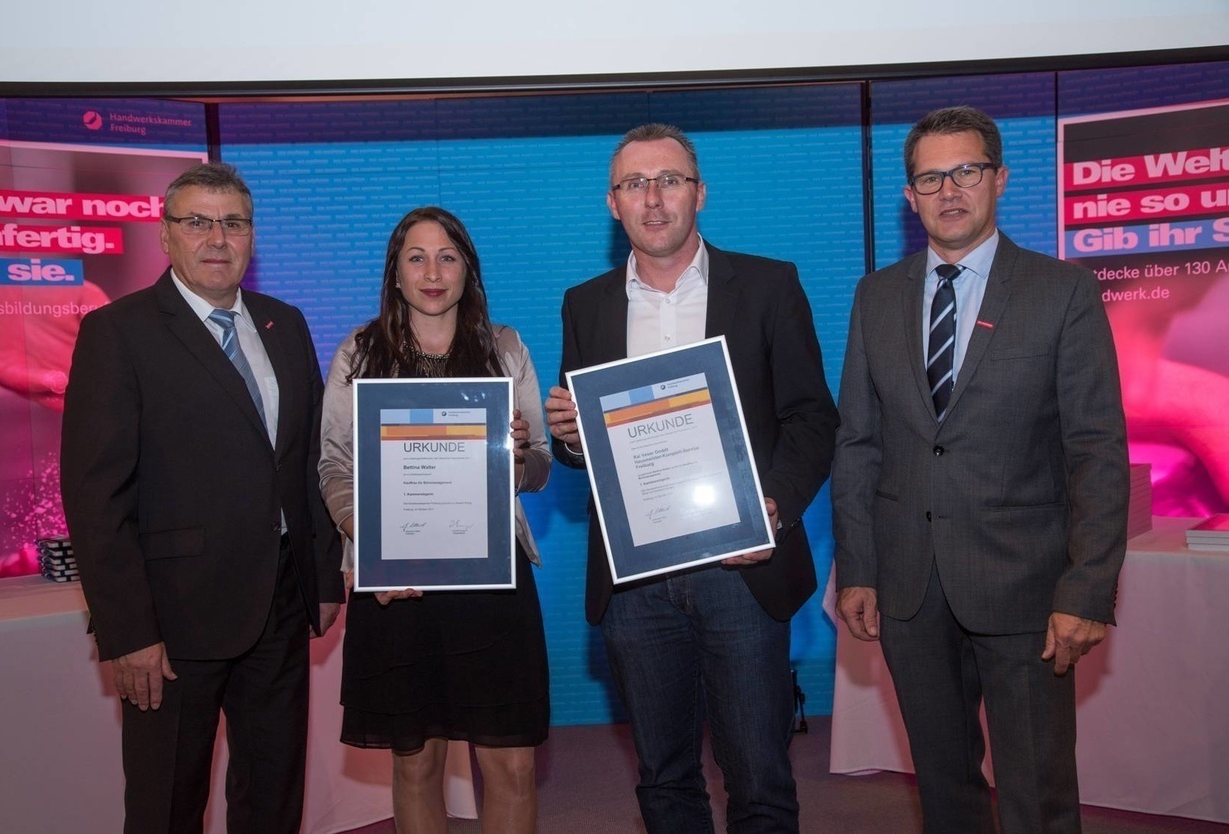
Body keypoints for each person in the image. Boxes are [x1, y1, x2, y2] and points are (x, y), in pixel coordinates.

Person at [833, 105, 1129, 833]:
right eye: (930, 178)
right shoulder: (876, 297)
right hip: (908, 586)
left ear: (1000, 178)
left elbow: (1096, 448)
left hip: (1027, 587)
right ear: (909, 196)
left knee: (1037, 792)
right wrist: (859, 568)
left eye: (966, 171)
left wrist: (1088, 588)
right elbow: (859, 443)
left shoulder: (1062, 291)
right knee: (944, 788)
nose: (949, 190)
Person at [545, 123, 839, 832]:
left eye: (669, 180)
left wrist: (773, 508)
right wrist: (571, 440)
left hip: (742, 569)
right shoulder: (585, 303)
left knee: (759, 778)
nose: (653, 199)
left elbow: (812, 419)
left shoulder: (769, 285)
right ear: (612, 203)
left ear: (700, 193)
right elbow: (584, 449)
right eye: (634, 184)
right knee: (664, 779)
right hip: (635, 584)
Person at [60, 161, 344, 833]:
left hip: (279, 605)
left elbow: (306, 460)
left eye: (233, 223)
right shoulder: (118, 332)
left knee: (273, 799)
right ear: (165, 235)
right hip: (171, 621)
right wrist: (129, 630)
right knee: (166, 805)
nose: (217, 238)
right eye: (198, 222)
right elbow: (96, 495)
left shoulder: (284, 323)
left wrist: (324, 576)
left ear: (252, 237)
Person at [318, 206, 551, 834]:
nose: (432, 273)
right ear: (395, 272)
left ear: (467, 270)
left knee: (512, 766)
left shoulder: (505, 347)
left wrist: (516, 454)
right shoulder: (359, 353)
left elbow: (541, 465)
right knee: (417, 762)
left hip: (492, 578)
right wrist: (372, 542)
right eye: (416, 258)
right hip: (399, 582)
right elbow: (334, 465)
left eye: (447, 258)